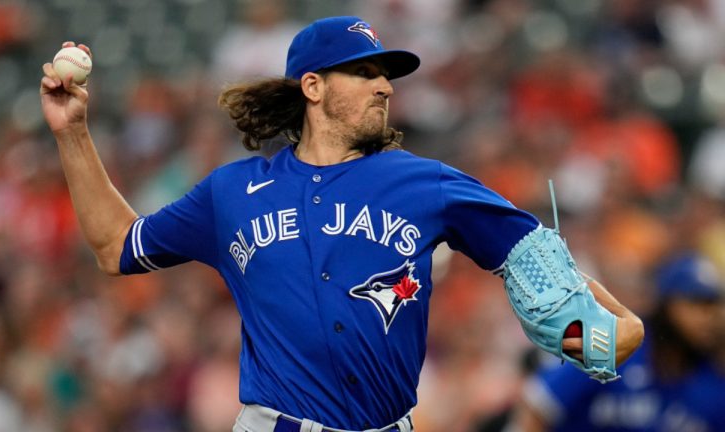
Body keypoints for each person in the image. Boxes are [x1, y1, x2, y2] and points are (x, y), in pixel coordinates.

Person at [39, 16, 644, 432]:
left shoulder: (425, 183)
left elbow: (531, 261)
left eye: (387, 74)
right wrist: (73, 133)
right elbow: (116, 244)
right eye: (365, 71)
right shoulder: (231, 192)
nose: (385, 85)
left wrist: (590, 333)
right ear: (313, 86)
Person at [507, 252, 725, 432]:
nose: (710, 318)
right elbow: (538, 406)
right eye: (699, 304)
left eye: (715, 306)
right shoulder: (613, 349)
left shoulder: (712, 383)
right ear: (666, 304)